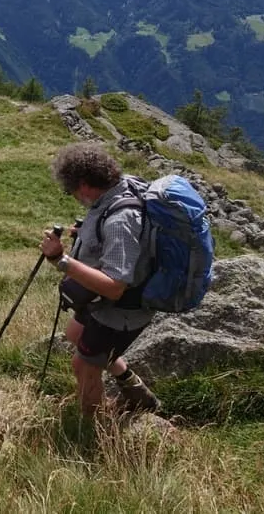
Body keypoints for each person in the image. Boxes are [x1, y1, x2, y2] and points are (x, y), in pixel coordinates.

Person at [38, 142, 161, 417]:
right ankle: (136, 389)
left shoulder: (120, 220)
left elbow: (115, 287)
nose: (71, 196)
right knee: (74, 334)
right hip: (101, 302)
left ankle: (92, 428)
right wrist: (87, 233)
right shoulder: (120, 189)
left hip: (121, 310)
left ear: (83, 185)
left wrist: (61, 260)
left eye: (69, 191)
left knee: (83, 365)